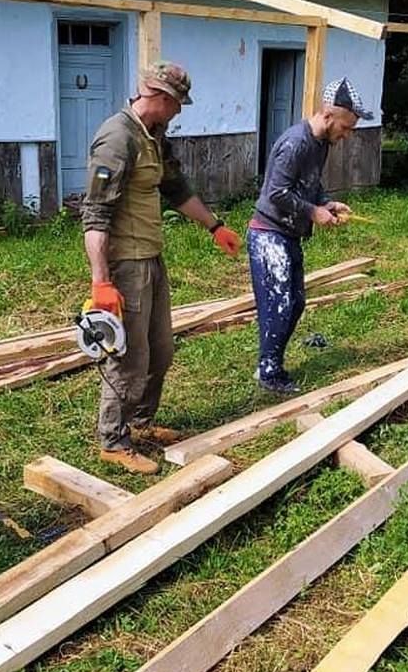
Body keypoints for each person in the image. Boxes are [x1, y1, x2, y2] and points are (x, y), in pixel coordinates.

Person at [80, 61, 242, 474]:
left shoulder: (154, 135)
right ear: (160, 97)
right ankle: (113, 440)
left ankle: (141, 422)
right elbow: (95, 214)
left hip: (151, 256)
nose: (180, 111)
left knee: (161, 350)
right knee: (129, 357)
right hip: (126, 264)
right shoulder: (117, 138)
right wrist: (101, 283)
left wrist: (215, 226)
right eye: (178, 104)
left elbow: (175, 187)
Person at [247, 77, 374, 394]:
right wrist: (313, 212)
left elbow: (310, 183)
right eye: (345, 127)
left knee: (296, 303)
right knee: (279, 304)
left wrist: (325, 202)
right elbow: (276, 192)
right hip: (268, 234)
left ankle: (271, 362)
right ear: (328, 116)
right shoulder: (297, 143)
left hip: (288, 234)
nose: (346, 135)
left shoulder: (320, 144)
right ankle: (269, 372)